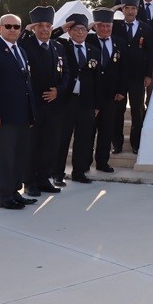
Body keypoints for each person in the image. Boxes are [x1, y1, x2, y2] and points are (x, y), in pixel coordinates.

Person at [0, 13, 38, 210]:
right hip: (4, 116)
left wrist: (31, 113)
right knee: (5, 158)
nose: (13, 30)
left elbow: (26, 84)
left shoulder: (20, 51)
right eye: (8, 26)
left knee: (19, 156)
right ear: (0, 28)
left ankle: (14, 192)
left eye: (17, 26)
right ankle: (4, 196)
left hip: (22, 114)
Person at [20, 5, 71, 195]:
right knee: (32, 145)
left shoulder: (58, 47)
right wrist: (24, 31)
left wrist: (58, 90)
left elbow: (66, 73)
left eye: (48, 25)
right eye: (40, 25)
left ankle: (44, 179)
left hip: (54, 106)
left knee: (50, 144)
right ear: (33, 27)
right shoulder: (26, 46)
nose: (44, 29)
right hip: (33, 106)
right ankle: (30, 182)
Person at [54, 13, 100, 184]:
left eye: (83, 29)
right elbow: (48, 38)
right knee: (63, 138)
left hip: (86, 102)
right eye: (76, 29)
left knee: (84, 138)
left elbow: (97, 80)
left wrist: (96, 104)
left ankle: (79, 172)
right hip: (66, 100)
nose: (80, 33)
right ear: (70, 31)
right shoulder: (61, 46)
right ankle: (57, 173)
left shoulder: (93, 50)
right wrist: (61, 30)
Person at [113, 0, 153, 155]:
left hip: (138, 77)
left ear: (137, 10)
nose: (130, 11)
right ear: (122, 10)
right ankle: (116, 144)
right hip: (119, 77)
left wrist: (148, 75)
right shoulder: (115, 26)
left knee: (137, 111)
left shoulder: (146, 29)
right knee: (118, 111)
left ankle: (136, 143)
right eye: (127, 8)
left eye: (133, 8)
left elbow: (149, 53)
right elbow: (102, 18)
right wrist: (115, 7)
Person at [91, 8, 126, 173]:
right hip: (92, 95)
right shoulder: (88, 40)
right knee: (89, 131)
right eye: (102, 26)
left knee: (106, 130)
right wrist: (90, 25)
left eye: (108, 26)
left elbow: (124, 69)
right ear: (96, 26)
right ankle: (84, 163)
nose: (105, 29)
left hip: (111, 95)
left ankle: (102, 162)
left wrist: (121, 90)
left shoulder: (119, 42)